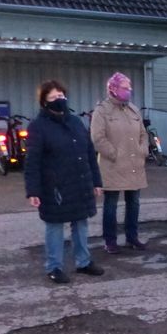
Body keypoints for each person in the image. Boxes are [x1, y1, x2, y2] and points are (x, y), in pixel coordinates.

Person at [24, 80, 105, 284]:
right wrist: (33, 191)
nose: (59, 100)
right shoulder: (38, 127)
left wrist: (96, 181)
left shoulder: (76, 122)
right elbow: (32, 162)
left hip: (79, 182)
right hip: (55, 187)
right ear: (44, 102)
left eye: (61, 96)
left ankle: (83, 262)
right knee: (55, 227)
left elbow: (88, 153)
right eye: (53, 98)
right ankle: (54, 267)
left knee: (81, 223)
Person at [90, 72, 149, 254]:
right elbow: (97, 137)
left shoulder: (133, 109)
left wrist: (143, 151)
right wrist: (114, 154)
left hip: (134, 165)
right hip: (113, 165)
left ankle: (132, 237)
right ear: (113, 89)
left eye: (129, 87)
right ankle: (110, 241)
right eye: (125, 88)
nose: (129, 91)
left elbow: (142, 134)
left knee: (134, 202)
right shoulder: (102, 110)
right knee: (111, 204)